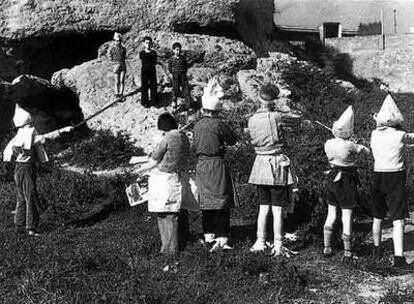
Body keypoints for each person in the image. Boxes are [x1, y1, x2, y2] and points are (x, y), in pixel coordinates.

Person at [247, 84, 302, 257]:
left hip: (259, 164)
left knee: (263, 207)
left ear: (260, 99)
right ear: (273, 101)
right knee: (277, 208)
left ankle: (260, 240)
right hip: (275, 164)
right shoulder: (277, 117)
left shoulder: (252, 119)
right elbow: (297, 120)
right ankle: (278, 243)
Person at [3, 104, 73, 236]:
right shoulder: (27, 133)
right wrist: (62, 131)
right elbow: (43, 138)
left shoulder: (19, 134)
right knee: (31, 197)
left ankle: (19, 225)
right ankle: (31, 228)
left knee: (22, 198)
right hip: (26, 168)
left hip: (19, 168)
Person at [192, 76, 238, 252]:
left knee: (206, 201)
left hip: (201, 164)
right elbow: (232, 140)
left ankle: (208, 234)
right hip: (217, 163)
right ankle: (222, 237)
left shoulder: (197, 125)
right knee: (220, 200)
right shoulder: (219, 124)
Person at [135, 113, 191, 254]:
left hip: (165, 179)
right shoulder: (183, 137)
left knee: (164, 215)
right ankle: (176, 246)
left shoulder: (168, 138)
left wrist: (139, 170)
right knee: (175, 213)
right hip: (179, 177)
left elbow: (154, 160)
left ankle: (168, 249)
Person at [370, 93, 414, 269]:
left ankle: (376, 249)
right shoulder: (400, 135)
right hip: (395, 176)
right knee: (398, 218)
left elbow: (382, 129)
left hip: (377, 175)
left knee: (377, 215)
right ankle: (399, 257)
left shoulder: (374, 134)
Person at [322, 105, 370, 262]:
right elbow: (366, 152)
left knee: (331, 213)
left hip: (331, 177)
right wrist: (357, 143)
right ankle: (347, 251)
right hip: (346, 180)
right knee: (347, 215)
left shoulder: (328, 143)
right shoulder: (351, 145)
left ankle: (327, 247)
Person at [168, 42, 191, 112]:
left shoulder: (183, 58)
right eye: (177, 50)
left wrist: (184, 72)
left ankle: (188, 106)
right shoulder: (171, 59)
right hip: (175, 76)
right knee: (175, 91)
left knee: (186, 90)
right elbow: (170, 68)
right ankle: (174, 106)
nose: (178, 51)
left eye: (179, 50)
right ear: (173, 50)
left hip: (183, 76)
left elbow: (186, 66)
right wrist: (174, 73)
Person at [139, 36, 158, 107]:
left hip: (152, 70)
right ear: (143, 43)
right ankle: (145, 102)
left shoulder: (154, 53)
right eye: (146, 43)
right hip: (144, 71)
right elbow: (141, 61)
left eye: (149, 43)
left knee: (153, 85)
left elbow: (155, 61)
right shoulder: (142, 53)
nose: (148, 45)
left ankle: (154, 101)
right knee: (144, 86)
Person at [109, 32, 127, 98]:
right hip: (116, 66)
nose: (118, 42)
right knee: (117, 81)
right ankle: (116, 93)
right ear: (114, 41)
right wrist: (114, 64)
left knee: (122, 80)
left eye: (119, 41)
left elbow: (124, 56)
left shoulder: (123, 49)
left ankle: (121, 93)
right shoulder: (112, 49)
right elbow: (110, 57)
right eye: (116, 41)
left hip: (122, 65)